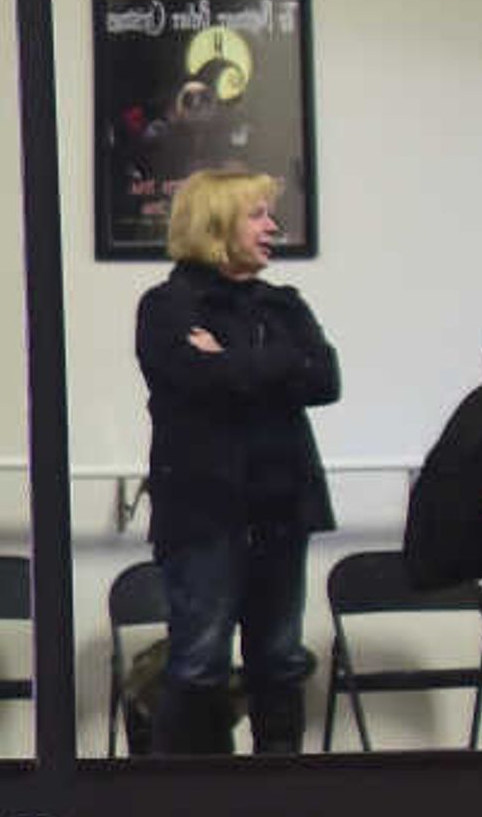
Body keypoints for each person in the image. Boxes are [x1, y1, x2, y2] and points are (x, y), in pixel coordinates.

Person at [133, 168, 341, 755]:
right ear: (217, 222)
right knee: (199, 658)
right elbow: (192, 378)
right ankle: (189, 799)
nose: (273, 227)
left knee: (279, 657)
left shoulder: (283, 303)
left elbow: (325, 378)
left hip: (282, 503)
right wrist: (275, 365)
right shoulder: (167, 306)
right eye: (258, 215)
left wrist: (232, 362)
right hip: (204, 509)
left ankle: (282, 792)